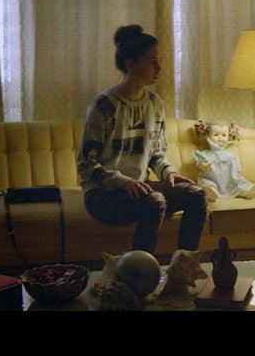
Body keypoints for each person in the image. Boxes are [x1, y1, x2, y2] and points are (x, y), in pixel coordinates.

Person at [77, 24, 207, 254]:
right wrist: (124, 182)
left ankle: (184, 263)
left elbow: (156, 154)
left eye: (158, 61)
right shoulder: (103, 107)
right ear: (131, 65)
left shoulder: (154, 104)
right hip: (103, 194)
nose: (159, 68)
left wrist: (169, 173)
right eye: (151, 62)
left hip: (140, 189)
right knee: (155, 201)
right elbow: (86, 165)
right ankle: (140, 270)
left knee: (196, 194)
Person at [193, 121, 255, 201]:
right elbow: (199, 163)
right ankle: (212, 193)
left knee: (238, 183)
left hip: (229, 181)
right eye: (216, 135)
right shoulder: (205, 154)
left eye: (224, 135)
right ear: (208, 136)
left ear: (228, 137)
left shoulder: (231, 156)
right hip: (212, 178)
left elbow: (236, 171)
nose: (220, 137)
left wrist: (237, 172)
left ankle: (246, 191)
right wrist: (202, 165)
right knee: (207, 183)